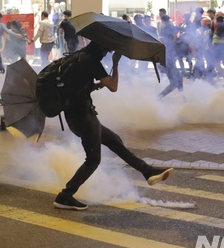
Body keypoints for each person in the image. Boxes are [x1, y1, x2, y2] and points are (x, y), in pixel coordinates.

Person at [53, 41, 173, 211]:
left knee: (114, 140)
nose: (107, 55)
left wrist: (94, 86)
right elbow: (113, 86)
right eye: (107, 51)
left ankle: (148, 172)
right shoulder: (92, 61)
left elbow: (76, 87)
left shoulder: (76, 57)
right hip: (84, 117)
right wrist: (116, 64)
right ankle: (65, 196)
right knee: (93, 160)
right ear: (100, 50)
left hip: (74, 114)